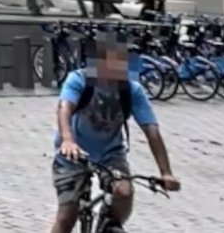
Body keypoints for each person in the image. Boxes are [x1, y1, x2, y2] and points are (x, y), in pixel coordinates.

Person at [50, 39, 180, 233]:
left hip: (111, 153)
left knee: (124, 191)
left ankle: (110, 224)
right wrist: (68, 140)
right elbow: (64, 109)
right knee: (67, 215)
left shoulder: (131, 90)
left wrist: (166, 172)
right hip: (73, 153)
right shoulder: (79, 80)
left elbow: (151, 131)